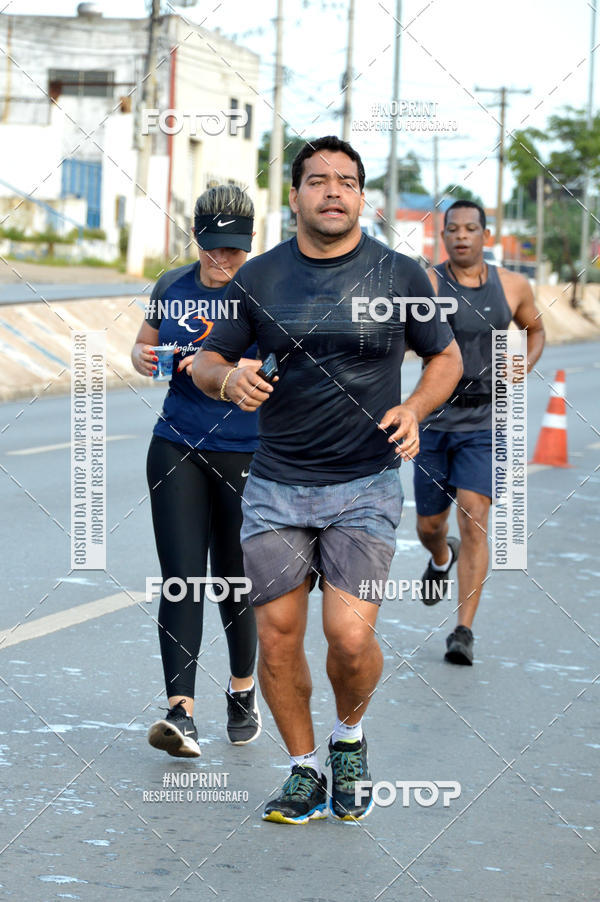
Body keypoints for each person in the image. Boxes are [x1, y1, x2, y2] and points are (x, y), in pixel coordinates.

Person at [192, 136, 463, 822]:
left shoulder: (402, 275)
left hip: (366, 483)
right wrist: (229, 379)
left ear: (362, 196)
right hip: (278, 484)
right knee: (279, 635)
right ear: (295, 196)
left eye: (347, 180)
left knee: (347, 636)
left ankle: (349, 738)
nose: (333, 190)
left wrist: (415, 406)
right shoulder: (260, 278)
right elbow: (206, 359)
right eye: (318, 180)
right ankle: (304, 769)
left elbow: (447, 359)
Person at [131, 185, 261, 757]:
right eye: (213, 248)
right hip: (176, 443)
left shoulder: (263, 293)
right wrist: (144, 357)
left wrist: (223, 368)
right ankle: (179, 711)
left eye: (233, 250)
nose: (222, 261)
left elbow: (278, 365)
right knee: (182, 576)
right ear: (197, 238)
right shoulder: (171, 286)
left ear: (248, 245)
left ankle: (241, 689)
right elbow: (143, 346)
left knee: (234, 578)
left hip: (246, 450)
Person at [413, 200, 545, 666]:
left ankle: (463, 630)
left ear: (486, 235)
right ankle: (439, 557)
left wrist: (521, 368)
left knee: (473, 514)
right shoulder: (427, 283)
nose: (462, 236)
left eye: (472, 229)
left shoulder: (512, 286)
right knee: (429, 525)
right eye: (454, 229)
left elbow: (535, 332)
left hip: (485, 421)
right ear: (443, 236)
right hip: (434, 419)